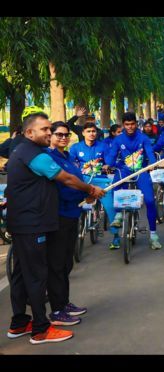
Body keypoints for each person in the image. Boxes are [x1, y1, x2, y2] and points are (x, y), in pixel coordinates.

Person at [6, 106, 104, 344]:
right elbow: (66, 178)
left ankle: (19, 323)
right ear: (30, 133)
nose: (50, 134)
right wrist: (90, 189)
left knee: (20, 274)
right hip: (33, 224)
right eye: (45, 130)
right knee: (37, 275)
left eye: (51, 129)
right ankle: (40, 329)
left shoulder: (25, 151)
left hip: (23, 222)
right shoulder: (34, 155)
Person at [45, 121, 89, 326]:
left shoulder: (68, 156)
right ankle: (56, 310)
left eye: (66, 135)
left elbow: (77, 181)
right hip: (59, 216)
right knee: (57, 264)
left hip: (73, 213)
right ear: (51, 136)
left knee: (66, 262)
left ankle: (64, 302)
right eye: (59, 134)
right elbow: (66, 185)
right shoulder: (49, 158)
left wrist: (87, 194)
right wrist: (88, 191)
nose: (63, 138)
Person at [105, 112, 162, 249]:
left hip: (141, 171)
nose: (130, 127)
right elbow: (112, 156)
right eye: (127, 124)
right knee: (114, 188)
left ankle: (153, 235)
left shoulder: (143, 138)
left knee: (149, 201)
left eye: (132, 124)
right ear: (123, 125)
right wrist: (108, 164)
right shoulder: (118, 139)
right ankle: (119, 214)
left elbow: (150, 153)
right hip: (124, 171)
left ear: (136, 124)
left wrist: (153, 164)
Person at [70, 122, 120, 250]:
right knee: (73, 205)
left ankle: (116, 237)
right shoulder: (75, 147)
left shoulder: (103, 146)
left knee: (110, 208)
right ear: (83, 133)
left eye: (93, 131)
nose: (91, 134)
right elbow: (70, 162)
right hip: (83, 181)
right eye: (88, 131)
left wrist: (107, 165)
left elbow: (109, 161)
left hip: (101, 181)